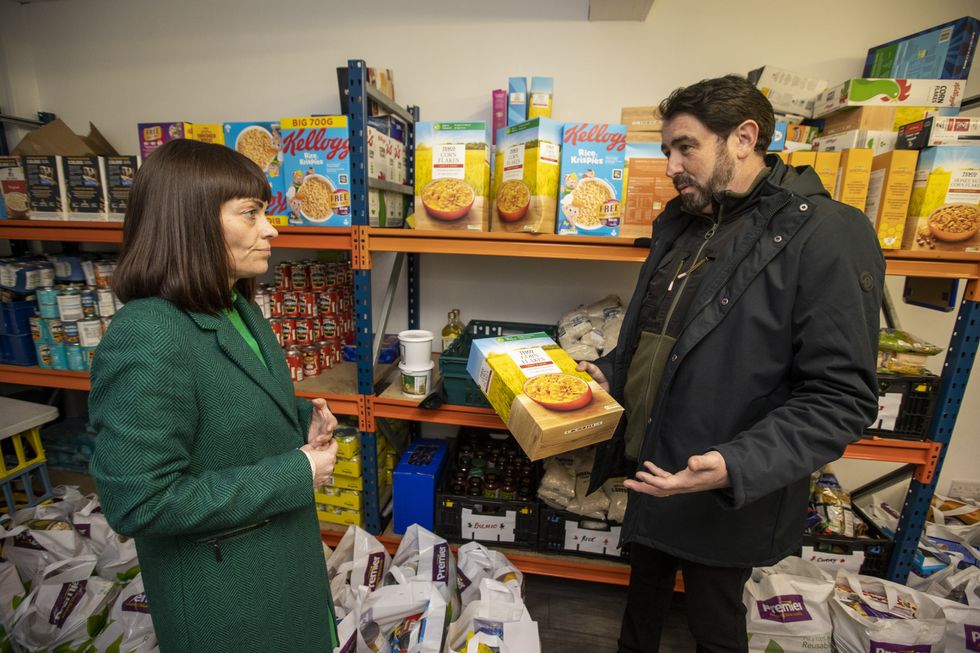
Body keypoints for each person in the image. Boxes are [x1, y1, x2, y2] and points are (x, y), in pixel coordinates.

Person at [577, 75, 884, 653]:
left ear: (743, 139)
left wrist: (735, 465)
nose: (671, 165)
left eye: (685, 147)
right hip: (653, 465)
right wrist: (613, 371)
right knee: (641, 596)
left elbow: (841, 398)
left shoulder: (827, 235)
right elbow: (663, 328)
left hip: (721, 479)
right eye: (667, 150)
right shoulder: (685, 221)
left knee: (714, 622)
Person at [89, 139, 341, 652]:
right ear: (190, 222)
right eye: (249, 213)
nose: (270, 229)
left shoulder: (235, 306)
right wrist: (296, 472)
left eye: (264, 211)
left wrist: (298, 421)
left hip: (277, 564)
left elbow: (224, 410)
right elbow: (141, 501)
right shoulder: (149, 333)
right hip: (227, 598)